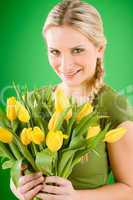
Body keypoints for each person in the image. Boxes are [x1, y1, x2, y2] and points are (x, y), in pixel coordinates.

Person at [10, 0, 133, 199]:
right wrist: (19, 187)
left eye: (77, 50)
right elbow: (18, 173)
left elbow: (130, 189)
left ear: (99, 49)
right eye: (55, 52)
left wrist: (76, 197)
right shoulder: (33, 102)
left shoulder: (113, 106)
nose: (65, 65)